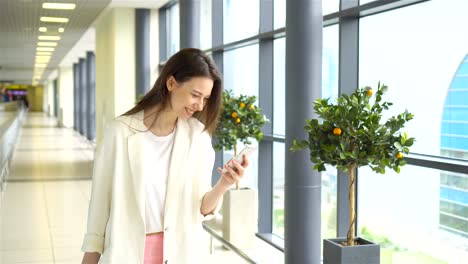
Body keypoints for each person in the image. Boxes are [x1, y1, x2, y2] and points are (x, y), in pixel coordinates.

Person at [81, 48, 249, 264]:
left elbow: (200, 210)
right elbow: (100, 205)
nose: (199, 105)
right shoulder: (120, 132)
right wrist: (90, 259)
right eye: (195, 95)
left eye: (206, 99)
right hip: (128, 253)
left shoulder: (198, 137)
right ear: (171, 83)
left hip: (182, 253)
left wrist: (224, 184)